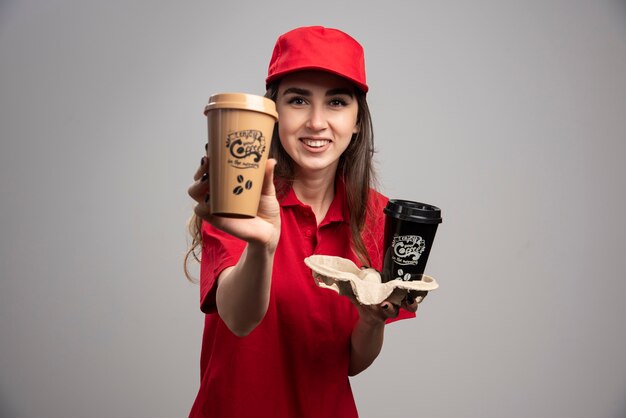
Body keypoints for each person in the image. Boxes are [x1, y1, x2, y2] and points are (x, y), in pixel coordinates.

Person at [185, 26, 421, 418]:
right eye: (298, 100)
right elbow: (240, 321)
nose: (316, 122)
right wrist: (263, 245)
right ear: (272, 113)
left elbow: (349, 363)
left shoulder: (382, 219)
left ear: (357, 119)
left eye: (336, 102)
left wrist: (370, 320)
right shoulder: (237, 196)